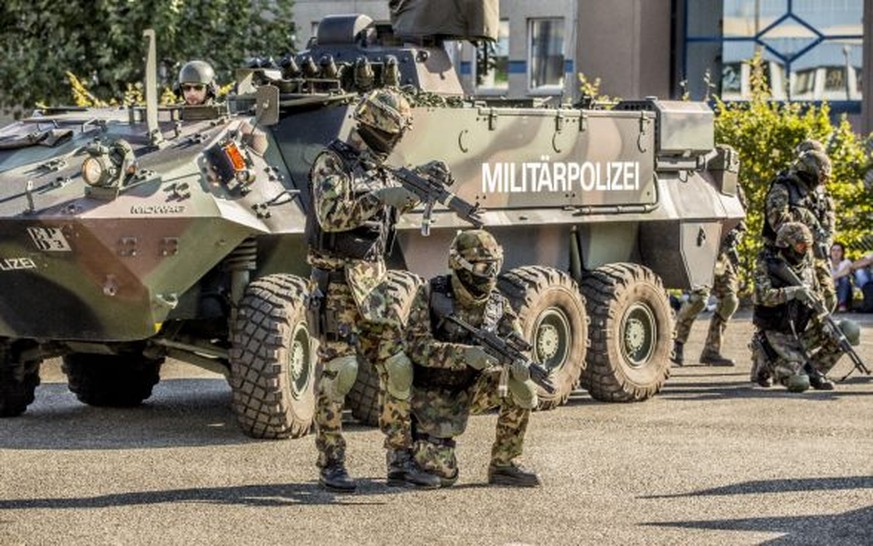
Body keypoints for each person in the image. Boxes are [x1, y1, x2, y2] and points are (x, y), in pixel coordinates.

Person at [305, 88, 438, 492]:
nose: (397, 140)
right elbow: (331, 217)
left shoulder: (379, 165)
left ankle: (400, 457)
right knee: (338, 372)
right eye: (395, 131)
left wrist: (421, 185)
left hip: (373, 282)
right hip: (337, 282)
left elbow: (393, 206)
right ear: (379, 127)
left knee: (397, 367)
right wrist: (381, 197)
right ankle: (332, 462)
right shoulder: (332, 163)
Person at [405, 229, 541, 488]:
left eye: (494, 266)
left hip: (473, 387)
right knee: (443, 476)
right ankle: (410, 450)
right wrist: (463, 354)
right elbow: (415, 346)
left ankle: (504, 463)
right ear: (461, 266)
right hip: (432, 393)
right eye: (481, 267)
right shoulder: (431, 294)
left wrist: (521, 364)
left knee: (522, 386)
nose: (489, 275)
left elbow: (516, 342)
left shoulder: (497, 303)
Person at [751, 222, 854, 392]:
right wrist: (793, 292)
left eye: (808, 246)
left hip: (800, 330)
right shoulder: (767, 265)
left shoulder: (808, 266)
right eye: (801, 246)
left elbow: (817, 292)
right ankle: (765, 362)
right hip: (776, 332)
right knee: (799, 384)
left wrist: (820, 311)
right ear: (787, 245)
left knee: (847, 331)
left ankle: (814, 371)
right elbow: (761, 297)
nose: (805, 250)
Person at [672, 191, 745, 367]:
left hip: (722, 255)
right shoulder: (696, 181)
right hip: (698, 250)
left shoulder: (732, 188)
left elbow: (741, 218)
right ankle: (676, 345)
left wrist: (735, 236)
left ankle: (712, 351)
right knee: (698, 300)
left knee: (730, 300)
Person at [829, 242, 854, 312]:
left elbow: (847, 271)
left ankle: (842, 304)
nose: (835, 253)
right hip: (830, 289)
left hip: (843, 290)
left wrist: (833, 278)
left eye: (838, 250)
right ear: (830, 252)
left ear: (842, 252)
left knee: (844, 279)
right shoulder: (826, 263)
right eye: (833, 250)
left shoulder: (846, 262)